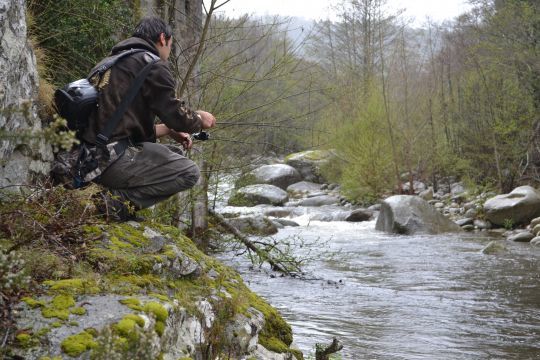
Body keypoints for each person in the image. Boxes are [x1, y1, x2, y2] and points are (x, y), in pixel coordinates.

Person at [82, 16, 216, 221]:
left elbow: (121, 127)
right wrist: (199, 119)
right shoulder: (152, 64)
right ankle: (111, 205)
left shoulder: (109, 63)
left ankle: (107, 197)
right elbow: (178, 116)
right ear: (163, 38)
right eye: (170, 46)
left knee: (172, 152)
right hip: (107, 163)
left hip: (87, 158)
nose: (168, 53)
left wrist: (169, 130)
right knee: (188, 172)